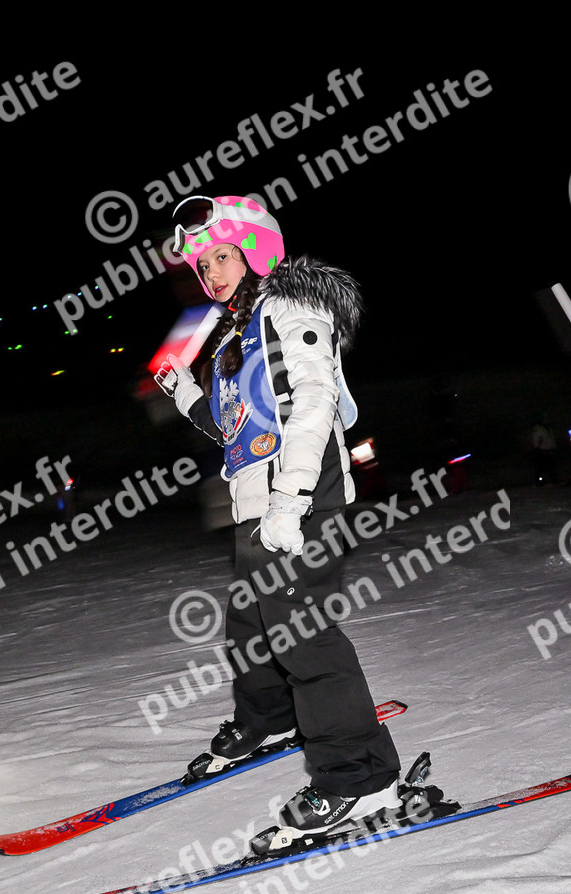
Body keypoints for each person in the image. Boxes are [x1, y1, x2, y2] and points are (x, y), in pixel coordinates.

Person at [154, 195, 402, 847]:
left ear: (254, 252)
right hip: (258, 503)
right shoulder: (236, 336)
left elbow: (315, 401)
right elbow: (235, 429)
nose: (211, 273)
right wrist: (185, 392)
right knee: (252, 623)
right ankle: (270, 718)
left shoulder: (291, 306)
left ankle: (360, 775)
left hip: (302, 495)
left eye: (222, 257)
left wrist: (292, 500)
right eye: (203, 265)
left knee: (302, 635)